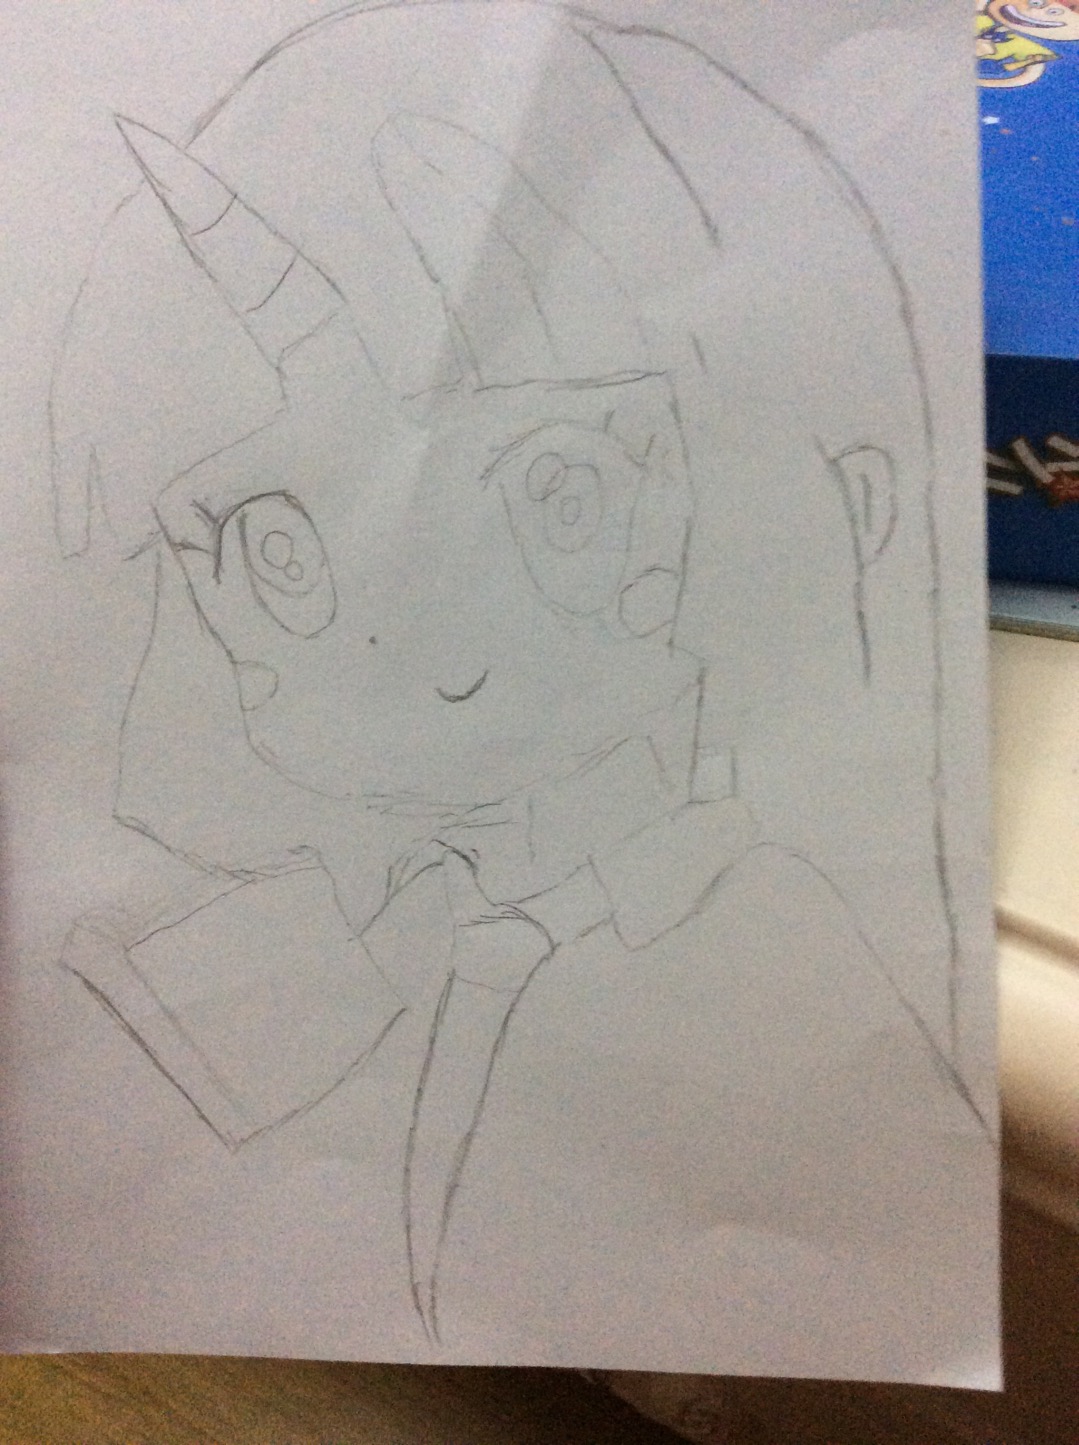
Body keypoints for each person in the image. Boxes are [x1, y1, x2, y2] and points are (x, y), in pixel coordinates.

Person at [50, 1, 986, 1349]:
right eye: (265, 551)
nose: (419, 640)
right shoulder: (372, 933)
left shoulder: (767, 962)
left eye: (564, 495)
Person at [976, 0, 1079, 87]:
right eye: (1036, 2)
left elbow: (1025, 76)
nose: (1034, 11)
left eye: (1054, 12)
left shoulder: (1033, 50)